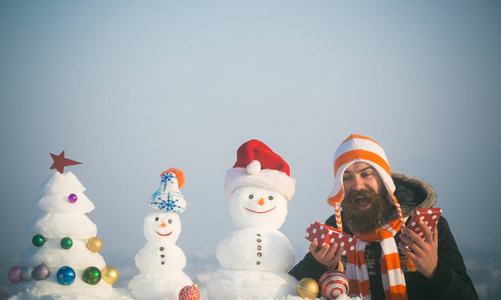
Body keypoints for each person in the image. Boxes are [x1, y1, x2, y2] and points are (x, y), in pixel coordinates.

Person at [289, 134, 478, 300]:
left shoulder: (423, 228)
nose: (357, 185)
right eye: (347, 178)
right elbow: (290, 287)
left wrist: (434, 271)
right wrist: (318, 265)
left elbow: (468, 296)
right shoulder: (338, 227)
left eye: (366, 174)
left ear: (384, 180)